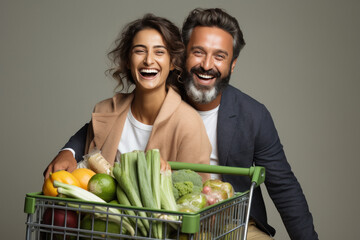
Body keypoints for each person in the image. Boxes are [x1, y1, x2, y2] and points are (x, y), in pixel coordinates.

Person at [44, 8, 318, 240]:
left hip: (232, 221)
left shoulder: (252, 115)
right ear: (182, 56)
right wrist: (68, 151)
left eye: (219, 56)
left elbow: (284, 186)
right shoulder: (158, 86)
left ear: (232, 64)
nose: (207, 65)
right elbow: (103, 122)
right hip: (162, 215)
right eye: (198, 52)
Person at [43, 14, 211, 179]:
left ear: (173, 62)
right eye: (140, 51)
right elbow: (85, 155)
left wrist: (163, 178)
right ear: (128, 61)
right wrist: (68, 152)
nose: (148, 60)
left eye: (159, 52)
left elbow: (197, 193)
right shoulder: (104, 109)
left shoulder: (189, 123)